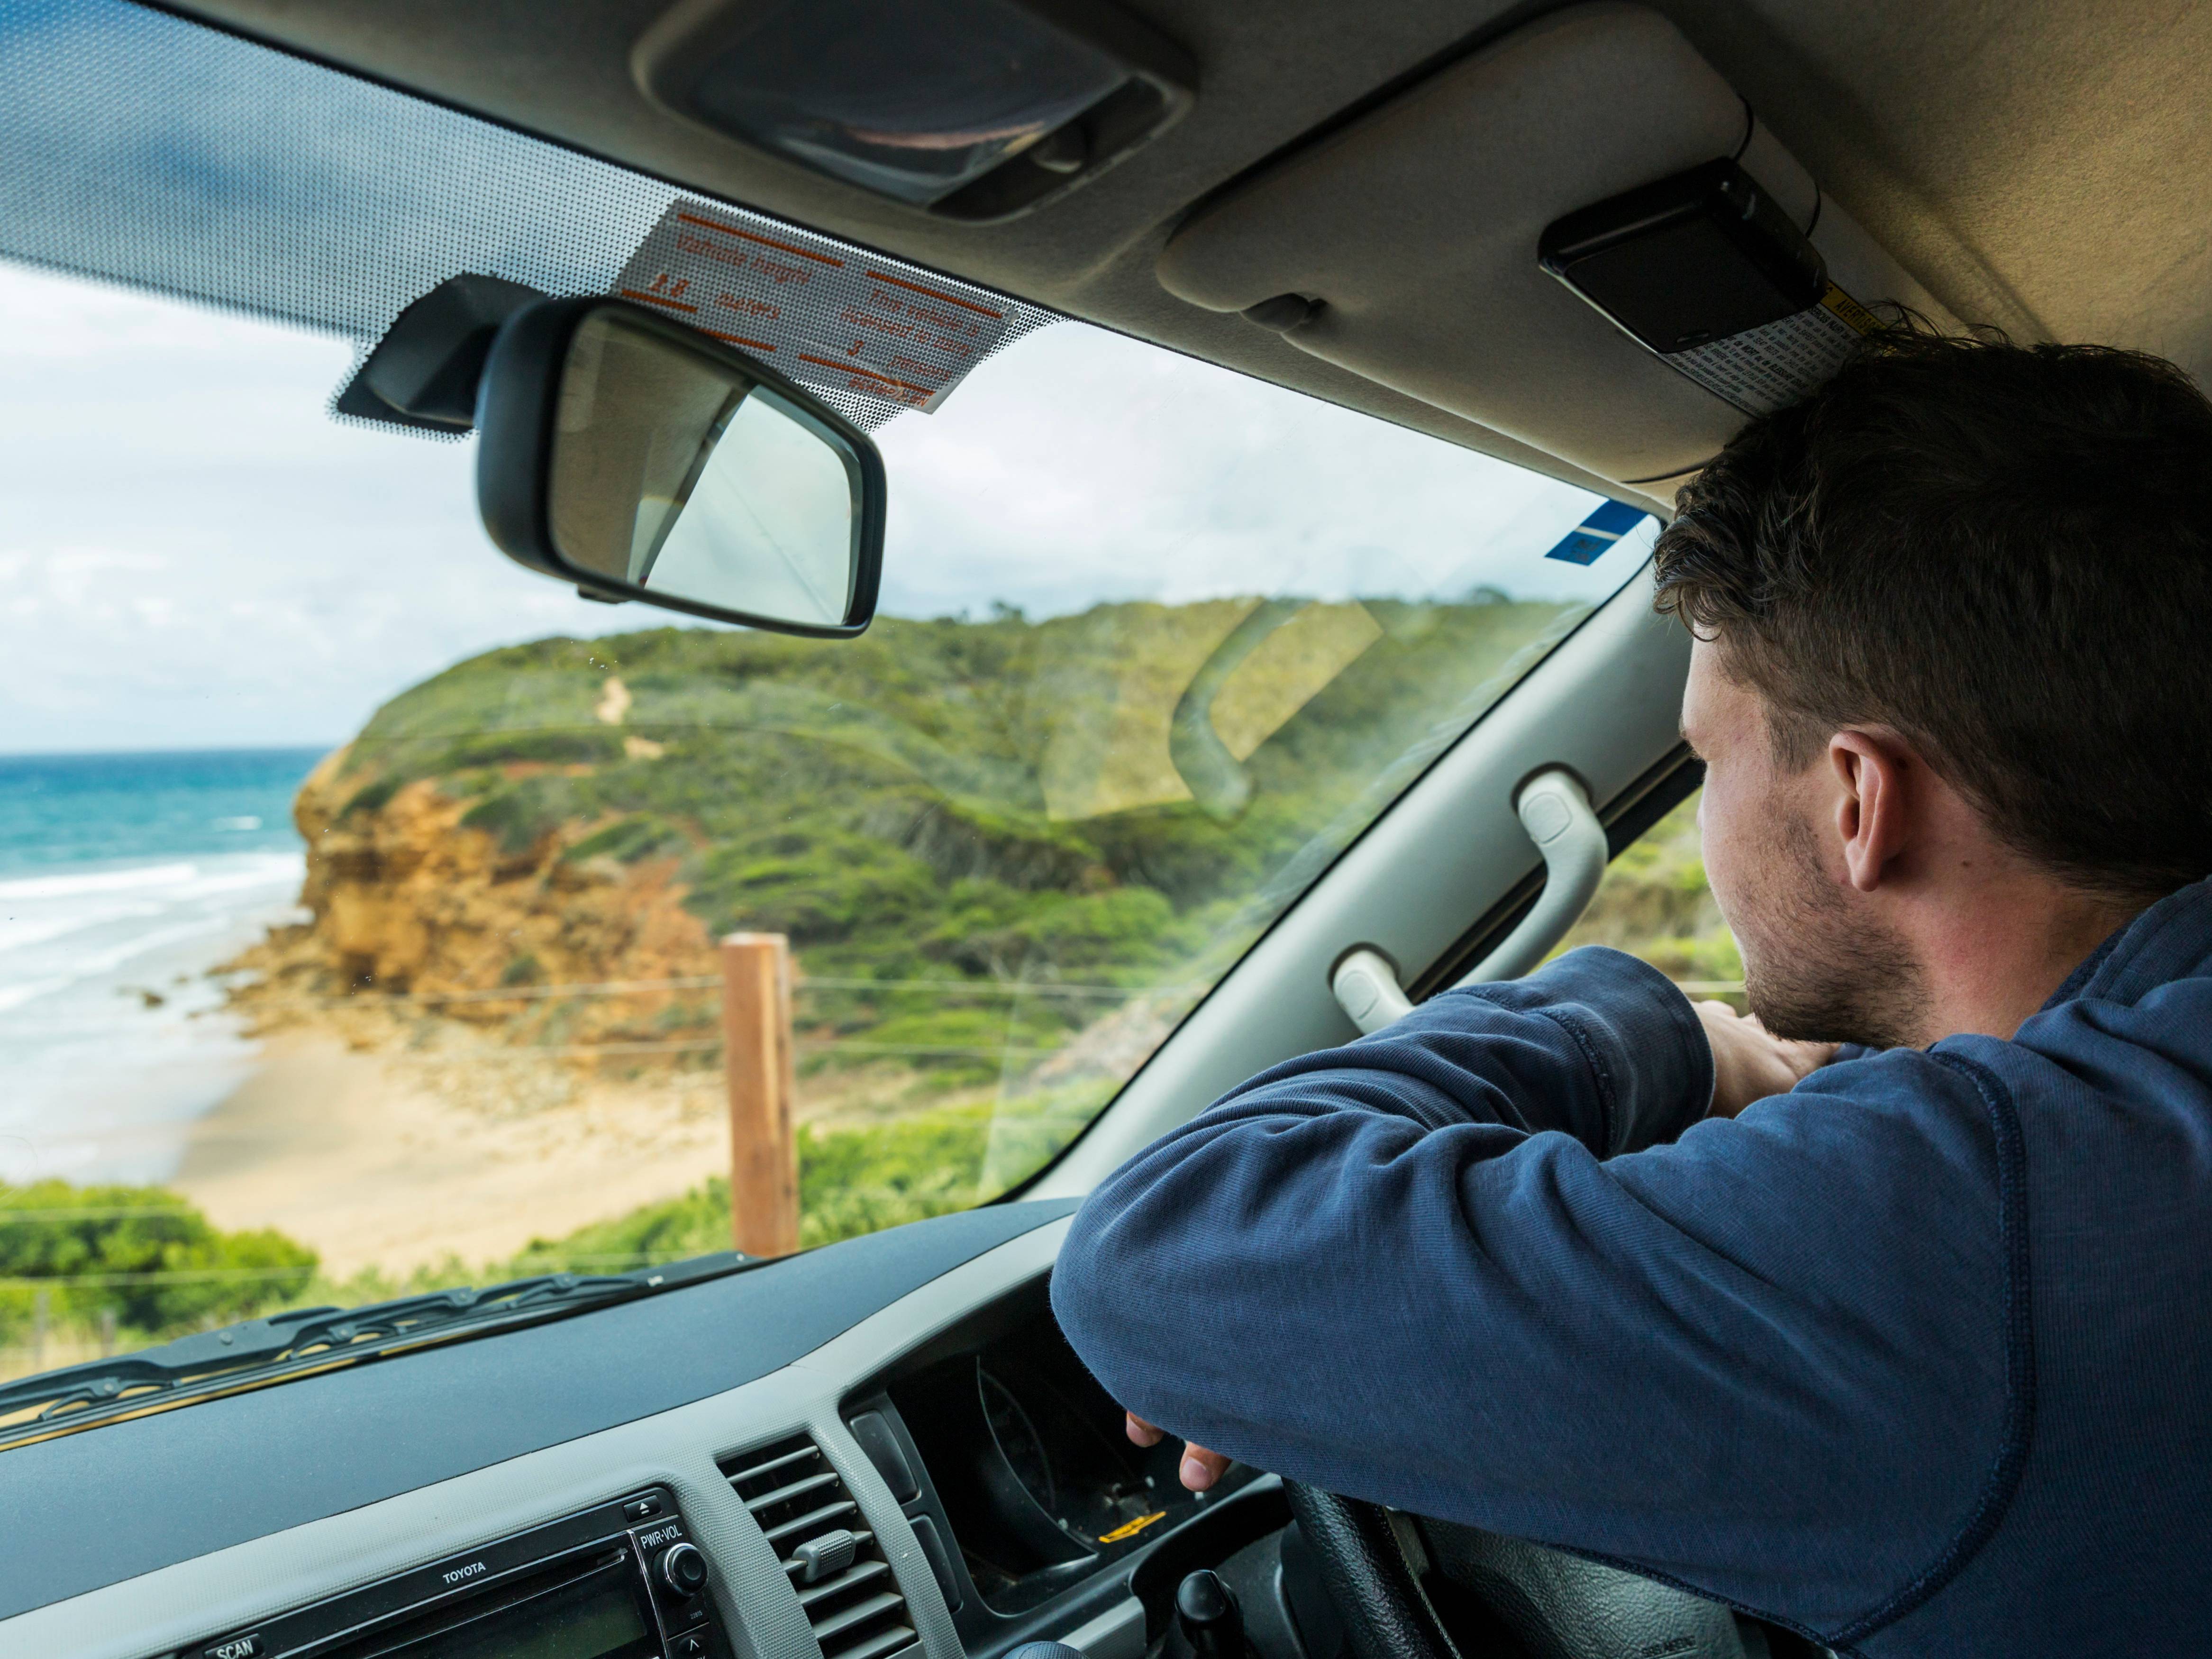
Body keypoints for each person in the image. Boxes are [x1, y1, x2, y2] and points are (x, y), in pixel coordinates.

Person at [1049, 328, 2212, 1657]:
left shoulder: (1985, 1227)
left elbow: (1156, 1255)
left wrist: (1648, 1032)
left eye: (1706, 761)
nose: (1703, 815)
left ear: (1855, 801)